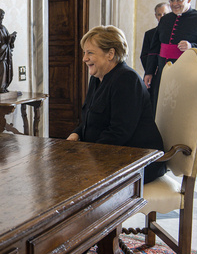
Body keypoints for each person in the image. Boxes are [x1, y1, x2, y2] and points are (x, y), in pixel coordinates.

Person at [67, 25, 166, 183]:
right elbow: (90, 118)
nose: (84, 58)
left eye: (90, 53)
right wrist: (77, 133)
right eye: (84, 53)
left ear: (110, 54)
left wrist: (86, 155)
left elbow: (119, 132)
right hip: (109, 155)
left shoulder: (127, 79)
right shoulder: (97, 78)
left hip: (138, 161)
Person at [144, 0, 197, 115]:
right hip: (162, 73)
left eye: (179, 0)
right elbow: (155, 48)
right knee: (158, 110)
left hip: (184, 75)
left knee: (178, 113)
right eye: (171, 0)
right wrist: (149, 72)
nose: (174, 4)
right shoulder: (165, 19)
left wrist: (192, 46)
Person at [140, 2, 170, 71]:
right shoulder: (149, 34)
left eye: (165, 14)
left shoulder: (175, 34)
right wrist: (151, 69)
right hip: (154, 72)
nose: (162, 17)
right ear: (156, 16)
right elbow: (144, 56)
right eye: (159, 14)